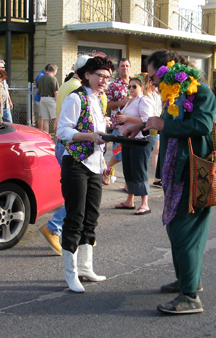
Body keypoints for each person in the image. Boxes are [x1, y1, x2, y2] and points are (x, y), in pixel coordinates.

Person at [122, 50, 216, 315]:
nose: (151, 82)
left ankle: (190, 297)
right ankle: (188, 280)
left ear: (168, 72)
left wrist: (161, 125)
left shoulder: (200, 92)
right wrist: (144, 126)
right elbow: (169, 122)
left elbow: (201, 125)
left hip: (193, 173)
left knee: (183, 232)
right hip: (177, 172)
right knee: (181, 231)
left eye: (153, 77)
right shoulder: (173, 93)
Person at [56, 55, 112, 293]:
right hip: (76, 164)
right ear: (87, 75)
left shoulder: (97, 99)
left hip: (95, 164)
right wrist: (90, 136)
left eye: (107, 77)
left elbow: (95, 129)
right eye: (100, 75)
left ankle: (85, 267)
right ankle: (70, 273)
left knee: (91, 217)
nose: (104, 80)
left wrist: (105, 126)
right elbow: (62, 131)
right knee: (75, 218)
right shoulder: (75, 97)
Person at [38, 58, 92, 256]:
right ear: (87, 72)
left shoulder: (66, 84)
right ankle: (54, 227)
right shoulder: (78, 89)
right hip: (74, 146)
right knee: (79, 196)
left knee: (79, 194)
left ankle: (82, 232)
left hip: (63, 143)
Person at [114, 77, 158, 215]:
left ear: (141, 88)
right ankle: (130, 200)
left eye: (134, 86)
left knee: (139, 169)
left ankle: (145, 203)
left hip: (141, 139)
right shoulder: (130, 101)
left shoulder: (144, 100)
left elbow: (147, 120)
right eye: (129, 86)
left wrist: (128, 118)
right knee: (128, 169)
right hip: (128, 139)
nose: (131, 89)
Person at [103, 58, 132, 185]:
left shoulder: (134, 83)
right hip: (119, 124)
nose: (125, 68)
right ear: (118, 68)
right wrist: (121, 102)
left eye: (127, 66)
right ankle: (107, 170)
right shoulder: (113, 85)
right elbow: (107, 104)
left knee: (130, 154)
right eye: (122, 66)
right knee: (119, 153)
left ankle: (128, 183)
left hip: (133, 123)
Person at [36, 64, 59, 134]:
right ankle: (56, 135)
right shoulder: (53, 78)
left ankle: (46, 136)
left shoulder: (40, 78)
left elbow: (37, 89)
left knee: (45, 119)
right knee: (56, 119)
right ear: (54, 71)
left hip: (42, 99)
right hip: (50, 99)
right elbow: (56, 92)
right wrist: (58, 101)